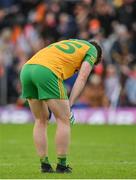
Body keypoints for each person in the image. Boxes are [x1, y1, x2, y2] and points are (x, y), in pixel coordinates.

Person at [20, 39, 102, 173]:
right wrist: (70, 104)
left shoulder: (73, 42)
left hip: (27, 69)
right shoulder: (92, 50)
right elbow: (82, 77)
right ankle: (62, 166)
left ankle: (45, 165)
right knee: (63, 119)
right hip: (46, 71)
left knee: (41, 119)